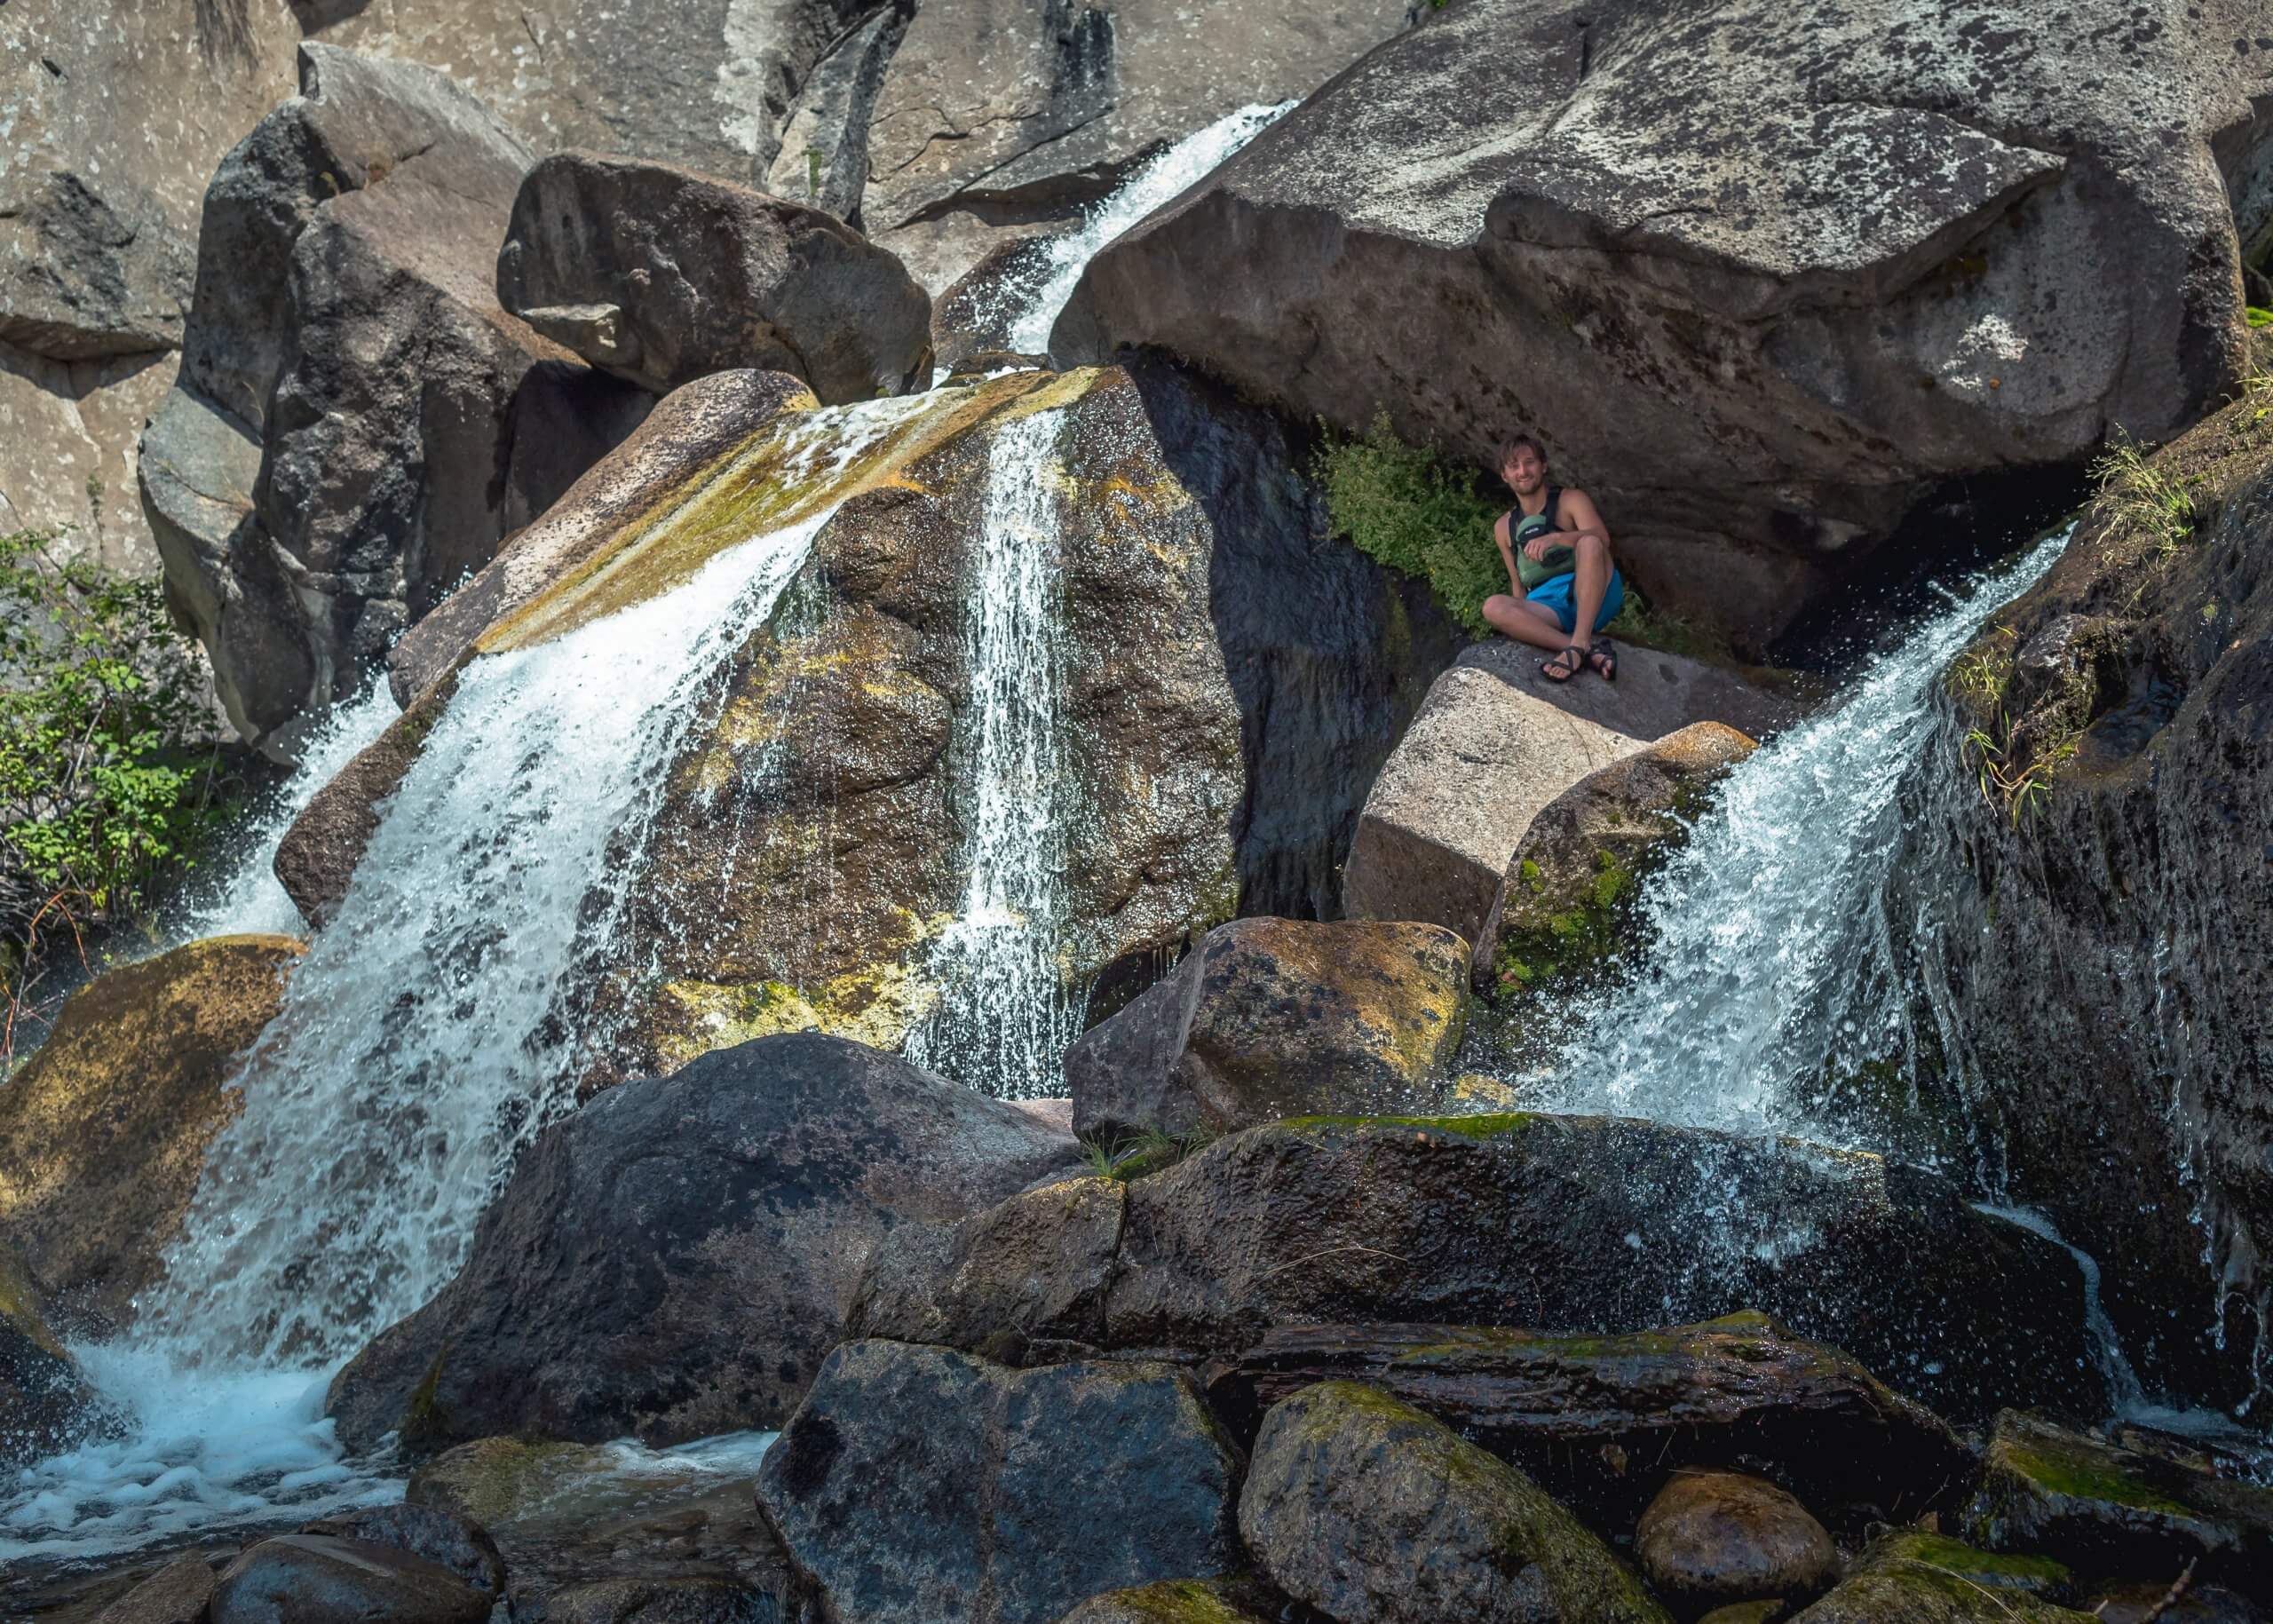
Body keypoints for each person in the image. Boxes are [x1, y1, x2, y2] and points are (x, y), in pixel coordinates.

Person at [1481, 432, 1622, 683]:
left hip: (1594, 594)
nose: (1523, 471)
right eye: (1514, 466)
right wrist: (1521, 622)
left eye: (1529, 462)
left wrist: (1556, 539)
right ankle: (1585, 650)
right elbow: (1518, 587)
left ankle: (1578, 644)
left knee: (1589, 543)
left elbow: (1603, 539)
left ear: (1543, 465)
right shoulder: (1503, 527)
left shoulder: (1571, 500)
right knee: (1493, 606)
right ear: (1504, 475)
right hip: (1551, 608)